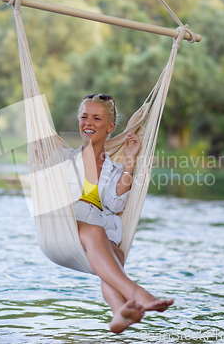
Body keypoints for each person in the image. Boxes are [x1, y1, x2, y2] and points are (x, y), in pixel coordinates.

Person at [69, 93, 174, 333]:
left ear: (110, 127)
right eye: (84, 117)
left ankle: (118, 311)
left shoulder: (114, 168)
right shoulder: (65, 159)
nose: (88, 123)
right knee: (95, 232)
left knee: (116, 255)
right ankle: (136, 293)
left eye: (97, 118)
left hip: (100, 231)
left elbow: (116, 205)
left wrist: (129, 163)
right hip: (69, 227)